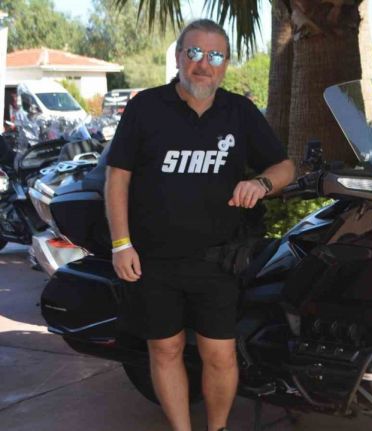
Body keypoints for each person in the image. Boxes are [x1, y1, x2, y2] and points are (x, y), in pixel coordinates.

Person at [105, 19, 295, 431]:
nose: (203, 64)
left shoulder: (239, 112)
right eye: (193, 52)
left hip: (218, 259)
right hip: (153, 259)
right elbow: (117, 177)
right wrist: (121, 244)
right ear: (178, 57)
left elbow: (284, 167)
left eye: (215, 55)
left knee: (220, 355)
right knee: (166, 349)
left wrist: (261, 184)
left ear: (225, 64)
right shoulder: (146, 107)